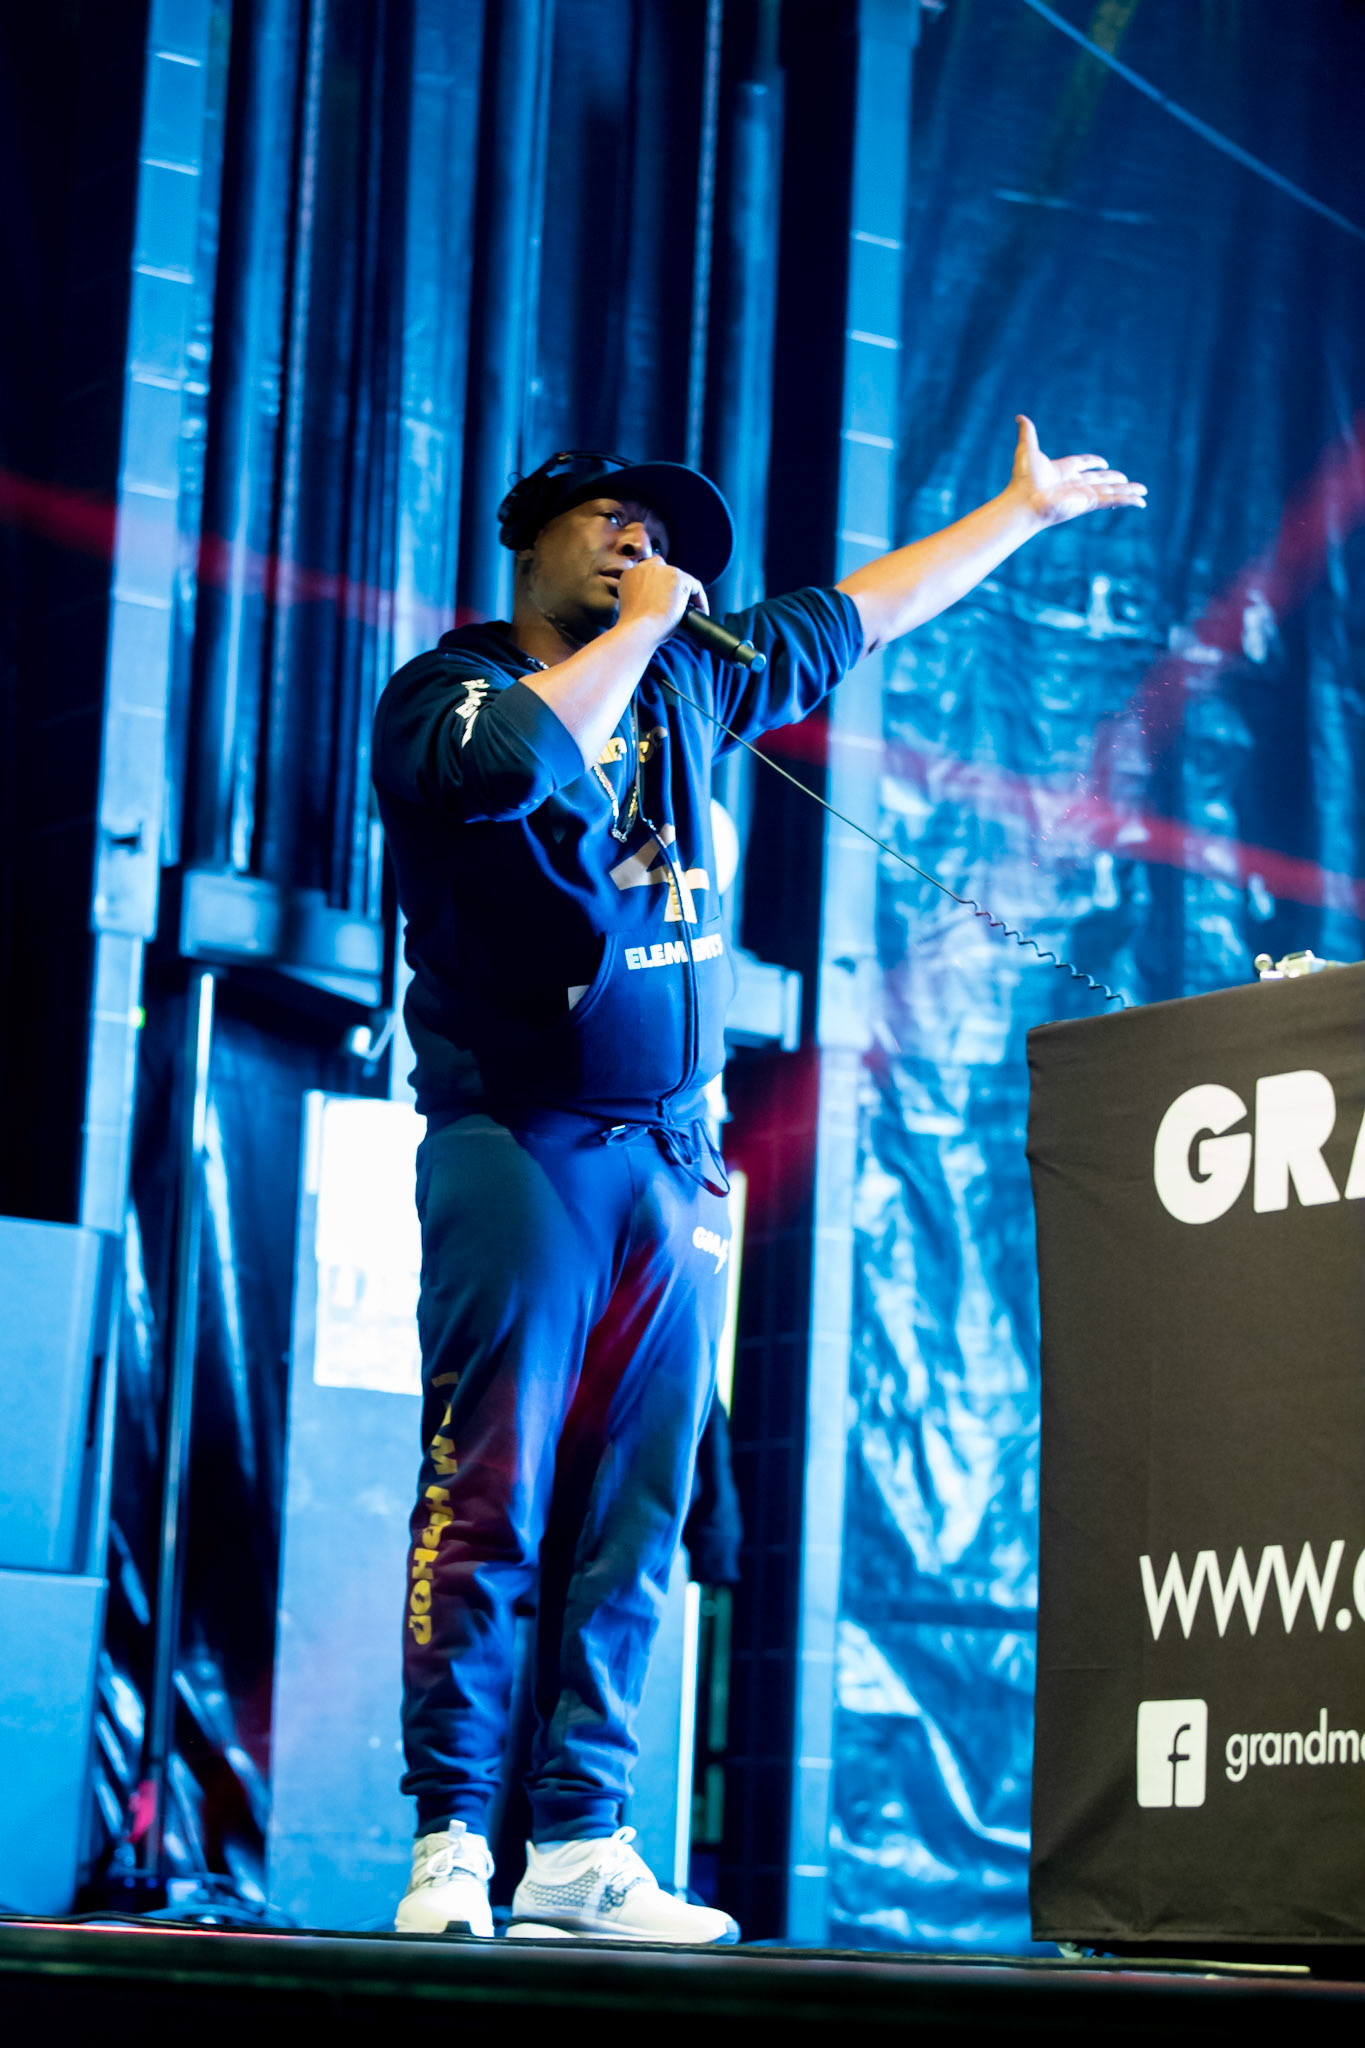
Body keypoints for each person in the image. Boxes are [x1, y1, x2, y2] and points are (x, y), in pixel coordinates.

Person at [371, 425, 1145, 1944]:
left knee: (639, 1511)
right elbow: (521, 762)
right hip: (519, 1146)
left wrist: (1017, 512)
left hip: (668, 1160)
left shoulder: (688, 683)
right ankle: (452, 1836)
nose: (642, 547)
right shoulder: (445, 694)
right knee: (490, 1492)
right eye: (613, 520)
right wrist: (647, 632)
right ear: (530, 537)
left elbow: (867, 610)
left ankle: (580, 1842)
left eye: (661, 538)